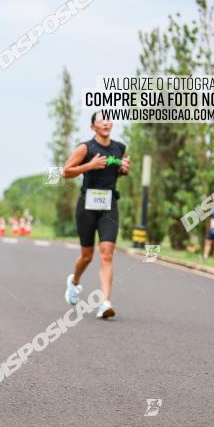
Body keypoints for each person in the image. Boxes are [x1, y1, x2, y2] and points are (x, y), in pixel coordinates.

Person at [62, 111, 130, 319]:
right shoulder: (86, 147)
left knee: (107, 253)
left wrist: (123, 169)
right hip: (87, 205)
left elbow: (116, 171)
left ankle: (105, 303)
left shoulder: (120, 148)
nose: (106, 123)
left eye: (109, 119)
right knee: (87, 256)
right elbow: (66, 171)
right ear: (93, 127)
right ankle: (74, 282)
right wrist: (89, 166)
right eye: (101, 121)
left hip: (109, 204)